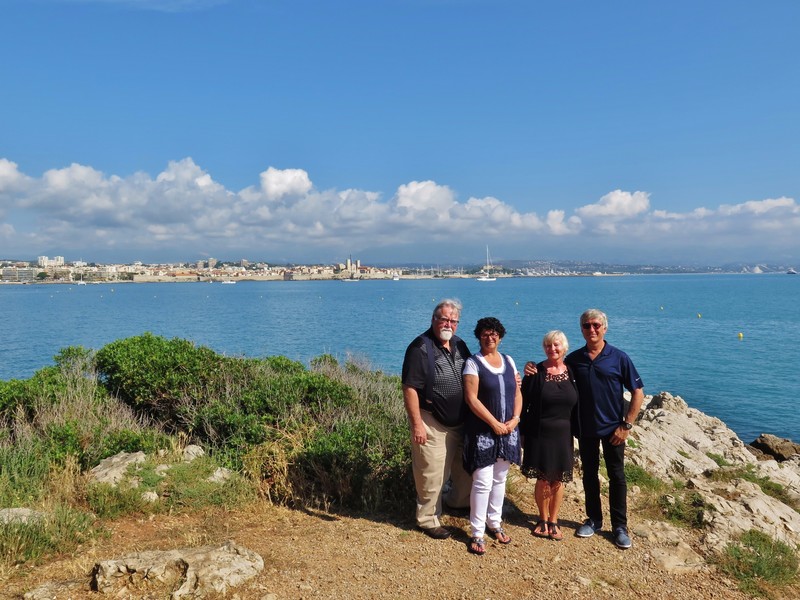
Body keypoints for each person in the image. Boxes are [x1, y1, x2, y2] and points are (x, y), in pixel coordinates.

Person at [568, 309, 644, 550]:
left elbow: (638, 392)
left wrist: (626, 425)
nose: (592, 329)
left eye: (596, 325)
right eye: (587, 326)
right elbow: (553, 372)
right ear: (581, 329)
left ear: (605, 328)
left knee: (617, 477)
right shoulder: (574, 359)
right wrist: (531, 368)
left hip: (614, 429)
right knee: (589, 475)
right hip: (586, 428)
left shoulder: (619, 357)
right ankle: (594, 519)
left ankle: (620, 526)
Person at [402, 299, 473, 539]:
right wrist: (417, 424)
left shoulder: (460, 345)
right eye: (444, 319)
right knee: (431, 473)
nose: (448, 324)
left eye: (453, 321)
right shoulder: (420, 348)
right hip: (432, 421)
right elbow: (410, 388)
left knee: (465, 470)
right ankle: (428, 519)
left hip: (461, 421)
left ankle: (457, 502)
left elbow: (475, 373)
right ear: (433, 319)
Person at [462, 317, 522, 555]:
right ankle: (477, 532)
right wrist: (494, 423)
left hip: (508, 430)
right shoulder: (473, 363)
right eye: (486, 334)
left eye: (494, 333)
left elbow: (517, 392)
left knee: (500, 479)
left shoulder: (509, 360)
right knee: (482, 481)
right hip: (483, 432)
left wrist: (516, 418)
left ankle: (494, 523)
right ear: (479, 336)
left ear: (500, 336)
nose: (490, 337)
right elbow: (471, 398)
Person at [520, 330, 579, 542]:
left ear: (564, 348)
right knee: (543, 478)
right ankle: (542, 519)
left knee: (558, 479)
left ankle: (554, 520)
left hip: (564, 434)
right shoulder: (535, 372)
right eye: (548, 345)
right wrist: (522, 433)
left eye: (556, 345)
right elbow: (523, 404)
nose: (552, 349)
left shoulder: (572, 371)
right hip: (539, 432)